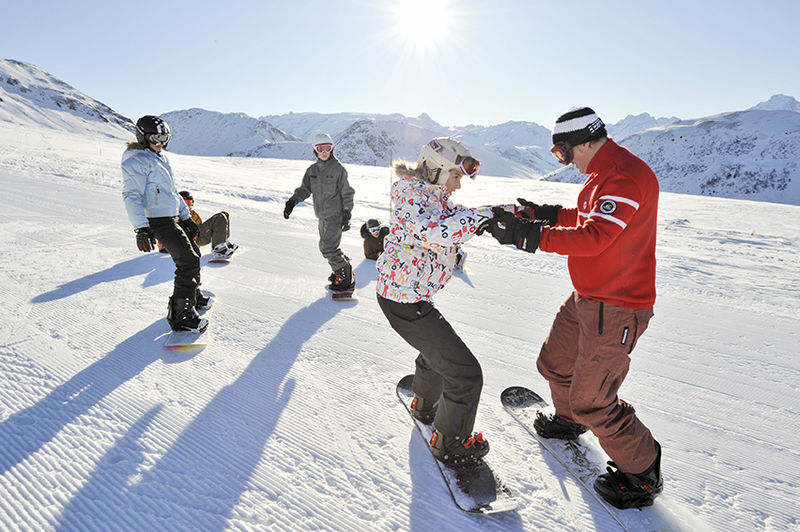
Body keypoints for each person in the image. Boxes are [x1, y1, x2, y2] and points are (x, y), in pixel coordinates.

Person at [489, 106, 662, 509]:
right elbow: (584, 218)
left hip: (618, 305)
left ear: (585, 141)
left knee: (596, 399)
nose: (565, 162)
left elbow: (596, 236)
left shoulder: (624, 176)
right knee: (555, 363)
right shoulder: (602, 175)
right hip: (588, 295)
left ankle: (643, 475)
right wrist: (542, 215)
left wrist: (529, 237)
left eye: (563, 153)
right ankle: (569, 421)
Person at [376, 137, 510, 468]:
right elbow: (434, 231)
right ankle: (450, 444)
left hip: (409, 298)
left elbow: (454, 215)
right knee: (465, 372)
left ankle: (424, 404)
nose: (459, 185)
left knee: (437, 350)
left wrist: (500, 214)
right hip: (403, 302)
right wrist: (481, 217)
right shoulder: (412, 198)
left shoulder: (431, 196)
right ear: (437, 170)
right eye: (457, 177)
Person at [121, 115, 210, 332]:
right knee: (187, 261)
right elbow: (131, 195)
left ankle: (193, 295)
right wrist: (141, 227)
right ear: (142, 137)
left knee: (194, 255)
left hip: (172, 216)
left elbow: (171, 193)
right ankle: (182, 316)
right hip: (157, 220)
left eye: (163, 138)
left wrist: (186, 217)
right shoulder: (136, 160)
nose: (160, 143)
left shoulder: (159, 157)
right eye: (155, 138)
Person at [283, 133, 355, 291]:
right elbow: (304, 189)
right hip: (322, 217)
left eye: (327, 148)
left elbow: (347, 192)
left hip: (335, 216)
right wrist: (292, 201)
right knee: (328, 246)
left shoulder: (338, 169)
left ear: (332, 149)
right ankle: (341, 269)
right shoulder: (312, 170)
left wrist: (347, 213)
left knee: (327, 248)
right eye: (320, 148)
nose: (324, 152)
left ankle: (345, 278)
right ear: (315, 150)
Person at [159, 190, 239, 258]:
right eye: (184, 202)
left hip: (197, 238)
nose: (187, 205)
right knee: (220, 217)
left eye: (189, 202)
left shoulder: (194, 215)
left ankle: (224, 242)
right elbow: (164, 232)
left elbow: (201, 228)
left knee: (224, 214)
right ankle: (218, 250)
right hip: (186, 242)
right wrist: (165, 247)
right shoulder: (173, 214)